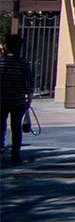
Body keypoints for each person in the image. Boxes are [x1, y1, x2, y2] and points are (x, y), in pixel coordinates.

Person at [1, 34, 34, 165]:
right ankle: (15, 156)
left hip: (1, 99)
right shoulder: (23, 63)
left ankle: (1, 146)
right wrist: (29, 100)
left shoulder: (1, 62)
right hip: (18, 101)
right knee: (16, 127)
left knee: (0, 125)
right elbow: (28, 84)